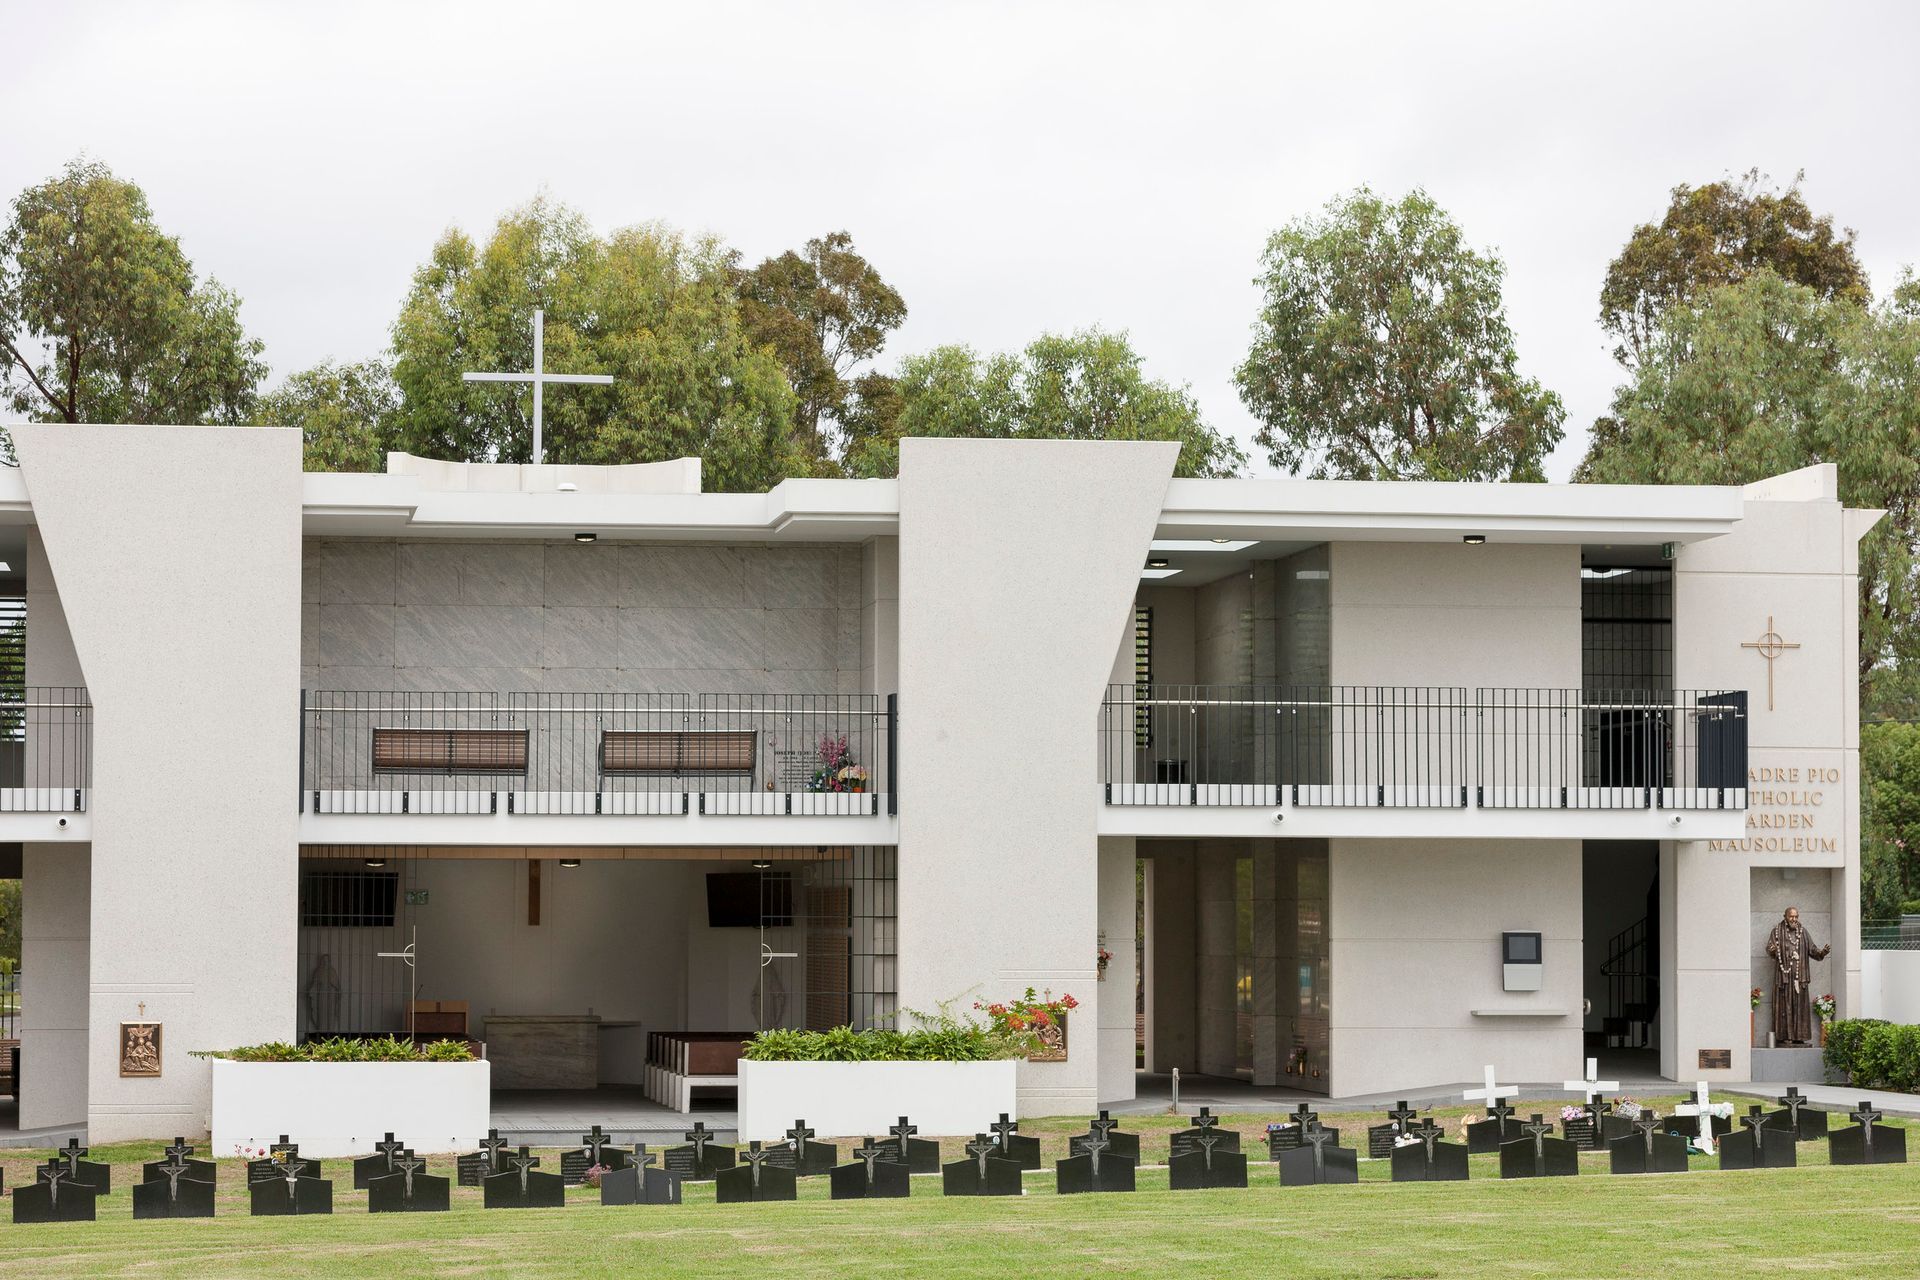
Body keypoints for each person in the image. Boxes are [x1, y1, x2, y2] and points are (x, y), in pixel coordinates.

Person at [1765, 907, 1830, 1046]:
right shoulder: (1776, 932)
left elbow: (1812, 950)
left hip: (1800, 979)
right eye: (1791, 917)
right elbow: (1770, 948)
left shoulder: (1803, 932)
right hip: (1784, 978)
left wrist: (1822, 952)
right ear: (1785, 916)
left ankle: (1799, 1036)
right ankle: (1785, 1037)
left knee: (1799, 1007)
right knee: (1785, 1007)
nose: (1794, 919)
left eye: (1796, 916)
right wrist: (1773, 950)